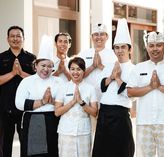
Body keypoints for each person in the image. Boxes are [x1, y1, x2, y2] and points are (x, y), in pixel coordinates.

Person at [127, 31, 164, 157]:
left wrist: (160, 86)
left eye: (159, 45)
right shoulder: (139, 68)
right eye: (151, 45)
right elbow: (130, 92)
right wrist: (150, 87)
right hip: (144, 123)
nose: (155, 49)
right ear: (147, 47)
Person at [0, 25, 36, 157]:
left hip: (25, 108)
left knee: (27, 144)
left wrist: (20, 73)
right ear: (7, 39)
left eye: (18, 36)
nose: (15, 39)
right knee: (5, 145)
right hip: (5, 108)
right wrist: (12, 73)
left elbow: (38, 81)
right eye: (12, 36)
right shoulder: (0, 58)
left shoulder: (32, 58)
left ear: (23, 38)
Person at [92, 18, 135, 157]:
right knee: (101, 152)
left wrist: (117, 78)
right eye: (117, 47)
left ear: (130, 49)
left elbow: (131, 94)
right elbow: (101, 87)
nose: (120, 50)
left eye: (123, 47)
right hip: (104, 113)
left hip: (121, 114)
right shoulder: (109, 66)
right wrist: (111, 77)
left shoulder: (134, 69)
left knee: (121, 151)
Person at [15, 35, 63, 157]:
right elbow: (19, 104)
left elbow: (64, 102)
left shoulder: (59, 81)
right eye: (43, 65)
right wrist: (42, 101)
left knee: (54, 153)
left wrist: (51, 101)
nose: (46, 69)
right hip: (33, 122)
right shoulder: (27, 81)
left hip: (55, 121)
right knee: (35, 154)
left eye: (49, 66)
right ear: (36, 65)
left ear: (53, 68)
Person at [54, 57, 98, 157]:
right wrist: (72, 102)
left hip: (83, 132)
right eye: (72, 69)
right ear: (69, 70)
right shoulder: (63, 87)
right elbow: (57, 112)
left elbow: (94, 112)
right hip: (66, 132)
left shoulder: (90, 88)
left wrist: (81, 102)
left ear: (84, 71)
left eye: (79, 69)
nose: (75, 72)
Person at [78, 22, 117, 100]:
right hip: (86, 95)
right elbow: (77, 76)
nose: (99, 37)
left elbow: (116, 74)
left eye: (102, 34)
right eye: (96, 34)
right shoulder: (83, 54)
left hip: (106, 96)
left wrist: (100, 66)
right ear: (91, 37)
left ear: (107, 37)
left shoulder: (113, 54)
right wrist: (92, 66)